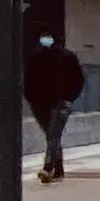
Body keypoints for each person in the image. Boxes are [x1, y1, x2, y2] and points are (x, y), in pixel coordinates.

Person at [23, 34, 86, 182]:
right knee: (52, 135)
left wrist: (69, 98)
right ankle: (58, 168)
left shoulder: (67, 57)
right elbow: (27, 79)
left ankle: (48, 167)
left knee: (53, 134)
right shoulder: (34, 57)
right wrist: (30, 98)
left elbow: (78, 80)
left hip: (60, 102)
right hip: (39, 103)